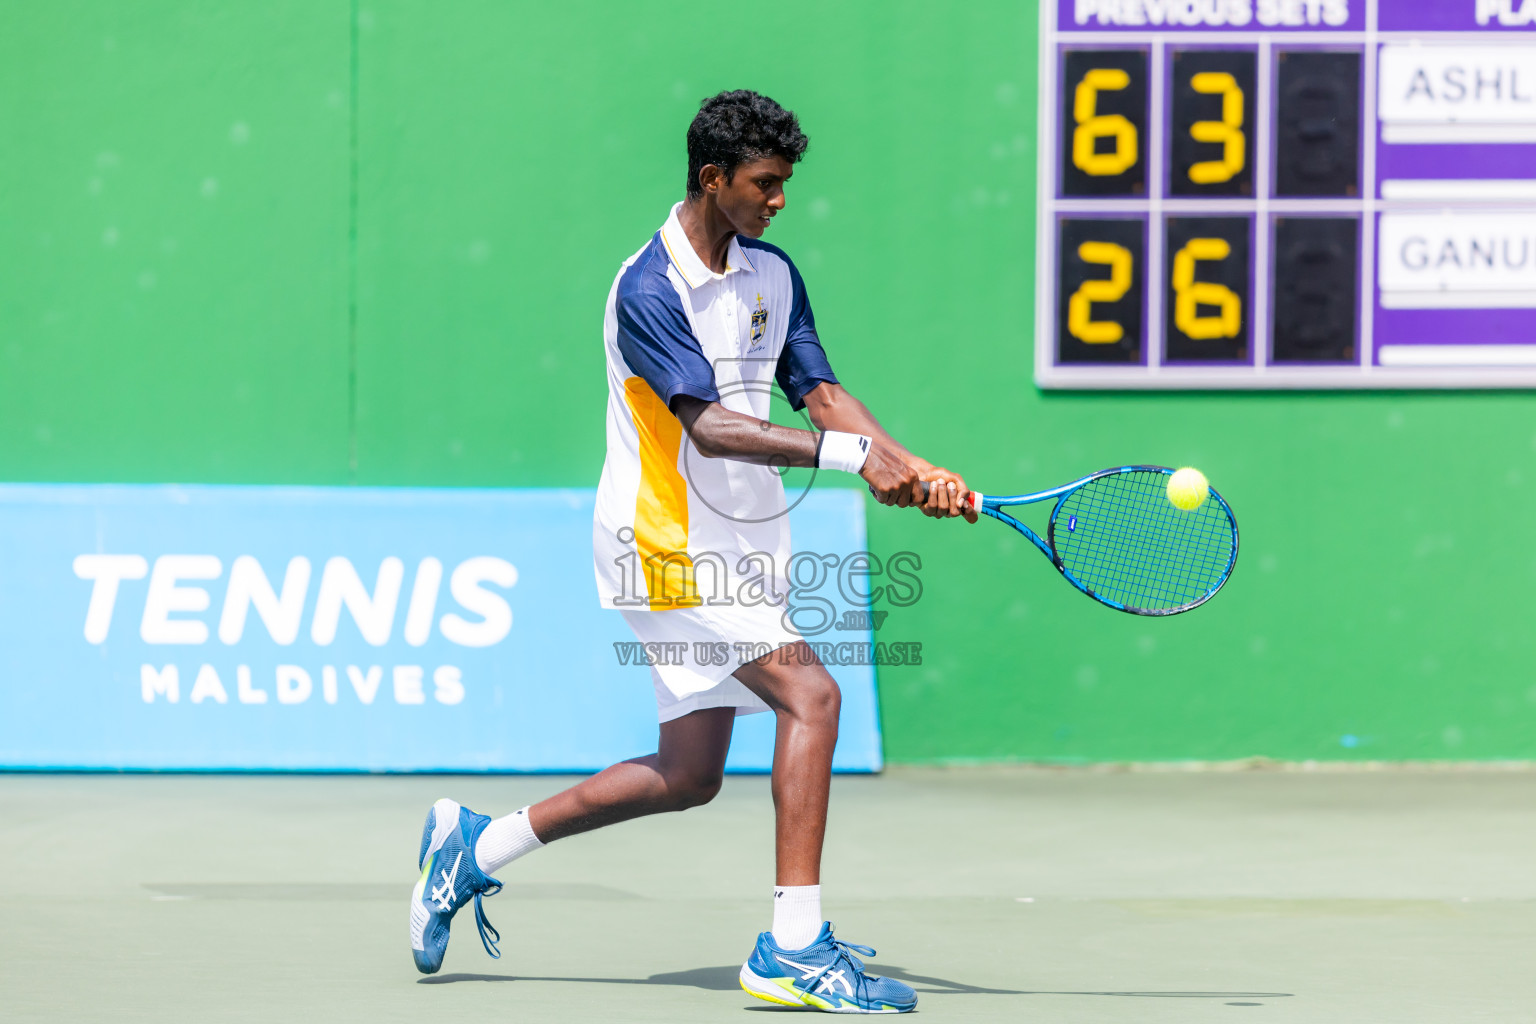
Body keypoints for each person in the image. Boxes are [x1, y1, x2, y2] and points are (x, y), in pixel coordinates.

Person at [408, 89, 976, 1014]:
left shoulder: (772, 273)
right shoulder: (647, 288)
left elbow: (820, 393)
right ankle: (792, 949)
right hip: (662, 540)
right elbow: (710, 427)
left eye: (786, 182)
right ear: (712, 179)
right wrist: (856, 460)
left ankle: (473, 848)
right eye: (765, 183)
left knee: (689, 775)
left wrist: (907, 462)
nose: (779, 199)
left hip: (745, 542)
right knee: (813, 694)